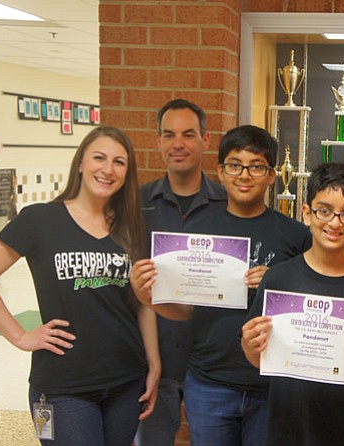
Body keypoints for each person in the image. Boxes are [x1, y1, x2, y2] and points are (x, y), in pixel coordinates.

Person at [132, 124, 311, 445]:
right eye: (235, 165)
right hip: (210, 383)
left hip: (272, 385)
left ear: (271, 175)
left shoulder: (296, 235)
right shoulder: (196, 232)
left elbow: (309, 307)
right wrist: (148, 298)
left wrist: (277, 283)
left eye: (256, 166)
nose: (244, 175)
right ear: (220, 172)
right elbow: (184, 311)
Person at [0, 126, 160, 446]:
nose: (108, 169)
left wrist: (154, 365)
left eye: (119, 162)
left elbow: (143, 302)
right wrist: (21, 336)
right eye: (99, 158)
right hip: (63, 385)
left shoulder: (133, 227)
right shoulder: (39, 220)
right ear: (80, 162)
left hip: (126, 380)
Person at [241, 163, 344, 446]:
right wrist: (250, 345)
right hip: (287, 428)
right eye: (324, 211)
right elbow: (258, 358)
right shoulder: (279, 279)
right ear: (307, 214)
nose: (334, 223)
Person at [134, 99, 227, 446]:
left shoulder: (228, 204)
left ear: (205, 139)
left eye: (188, 134)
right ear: (157, 141)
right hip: (153, 358)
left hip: (212, 361)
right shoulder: (136, 203)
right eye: (169, 135)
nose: (178, 144)